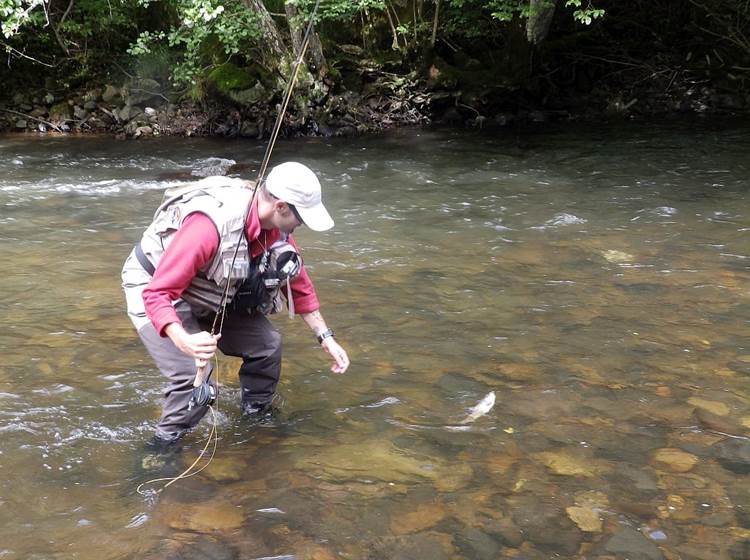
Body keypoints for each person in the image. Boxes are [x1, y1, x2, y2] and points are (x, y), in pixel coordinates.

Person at [121, 162, 350, 444]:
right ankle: (162, 448)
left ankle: (256, 417)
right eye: (300, 217)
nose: (301, 225)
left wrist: (325, 337)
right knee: (191, 374)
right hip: (155, 283)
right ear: (281, 206)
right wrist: (183, 340)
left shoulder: (277, 230)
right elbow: (157, 293)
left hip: (210, 289)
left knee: (267, 345)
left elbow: (298, 282)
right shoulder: (209, 227)